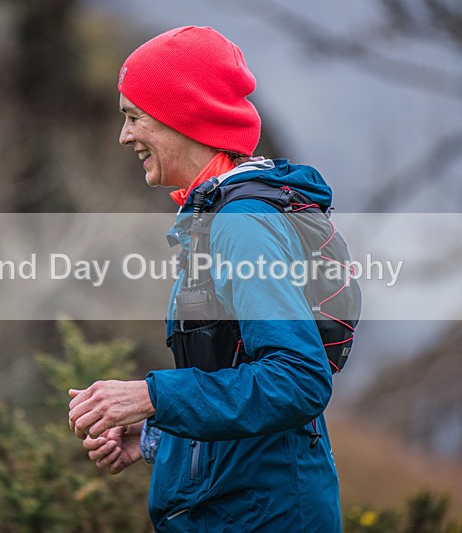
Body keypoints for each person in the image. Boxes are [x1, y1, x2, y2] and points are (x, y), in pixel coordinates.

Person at [68, 26, 341, 531]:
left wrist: (152, 396)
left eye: (133, 117)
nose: (124, 136)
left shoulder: (241, 226)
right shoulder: (219, 219)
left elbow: (298, 380)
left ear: (183, 118)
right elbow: (234, 382)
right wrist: (157, 434)